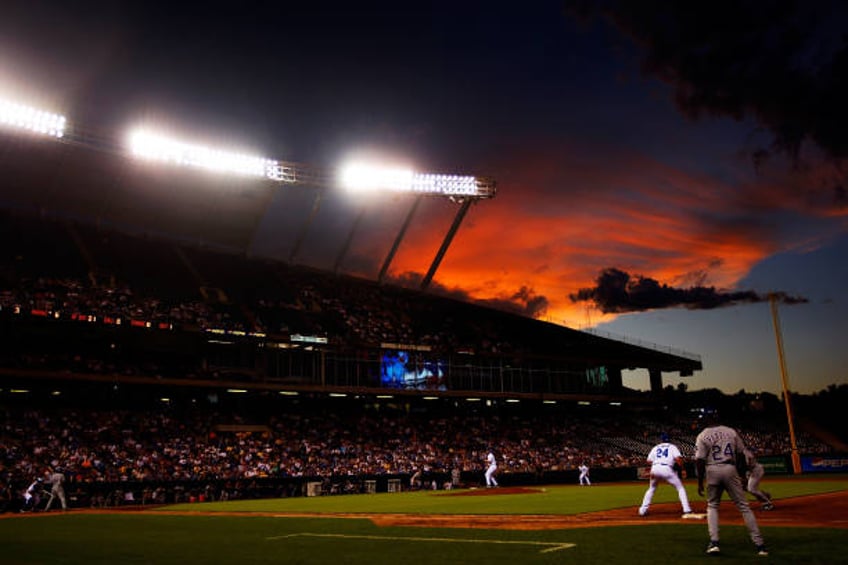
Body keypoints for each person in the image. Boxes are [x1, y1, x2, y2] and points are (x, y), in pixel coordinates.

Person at [695, 417, 768, 557]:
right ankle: (760, 545)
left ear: (706, 422)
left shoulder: (702, 435)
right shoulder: (730, 431)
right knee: (744, 507)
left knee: (712, 506)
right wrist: (741, 475)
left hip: (712, 469)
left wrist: (699, 482)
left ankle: (714, 543)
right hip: (730, 468)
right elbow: (740, 455)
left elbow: (700, 460)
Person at [639, 432, 693, 517]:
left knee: (651, 488)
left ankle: (642, 510)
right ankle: (687, 509)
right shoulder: (672, 447)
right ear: (669, 439)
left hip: (655, 468)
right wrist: (682, 469)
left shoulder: (656, 447)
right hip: (666, 468)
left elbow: (648, 461)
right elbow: (678, 459)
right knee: (680, 488)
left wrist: (658, 463)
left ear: (661, 440)